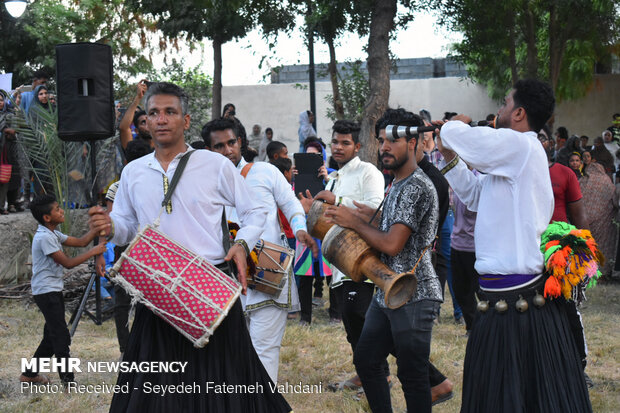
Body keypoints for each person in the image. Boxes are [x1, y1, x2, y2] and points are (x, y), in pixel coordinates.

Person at [88, 82, 292, 412]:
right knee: (157, 393)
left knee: (221, 388)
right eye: (154, 112)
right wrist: (110, 227)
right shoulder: (134, 172)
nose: (162, 119)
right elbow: (126, 225)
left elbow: (256, 211)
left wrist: (242, 244)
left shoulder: (215, 165)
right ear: (147, 121)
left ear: (186, 120)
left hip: (209, 290)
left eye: (171, 112)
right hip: (156, 292)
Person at [437, 78, 592, 412]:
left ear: (519, 113)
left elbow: (456, 134)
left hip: (518, 299)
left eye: (505, 102)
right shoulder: (512, 156)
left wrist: (453, 125)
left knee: (520, 398)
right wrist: (449, 159)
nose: (500, 108)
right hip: (499, 298)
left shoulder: (519, 146)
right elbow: (477, 197)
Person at [324, 111, 442, 413]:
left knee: (412, 375)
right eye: (380, 141)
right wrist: (369, 216)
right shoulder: (397, 184)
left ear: (413, 142)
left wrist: (354, 220)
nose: (384, 147)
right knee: (365, 359)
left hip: (414, 292)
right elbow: (390, 230)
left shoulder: (416, 186)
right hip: (386, 289)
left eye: (393, 140)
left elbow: (392, 243)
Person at [201, 117, 317, 383]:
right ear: (209, 150)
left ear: (240, 142)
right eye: (219, 146)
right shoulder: (202, 183)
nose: (227, 150)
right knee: (232, 353)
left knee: (264, 352)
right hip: (225, 281)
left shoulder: (265, 172)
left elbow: (291, 204)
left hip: (268, 274)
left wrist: (299, 229)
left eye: (231, 142)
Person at [298, 119, 385, 392]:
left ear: (357, 146)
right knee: (352, 327)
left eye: (345, 142)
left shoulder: (368, 172)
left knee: (363, 321)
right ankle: (365, 376)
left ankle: (381, 377)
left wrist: (337, 202)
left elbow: (375, 211)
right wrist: (312, 210)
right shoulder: (334, 178)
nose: (338, 147)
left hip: (362, 261)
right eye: (335, 141)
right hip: (338, 263)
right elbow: (330, 222)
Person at [20, 194, 106, 385]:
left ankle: (30, 374)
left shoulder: (53, 233)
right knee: (61, 337)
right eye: (57, 209)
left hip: (52, 291)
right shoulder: (44, 238)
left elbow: (82, 242)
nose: (61, 211)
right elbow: (67, 263)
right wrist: (93, 252)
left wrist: (96, 229)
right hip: (46, 293)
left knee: (51, 336)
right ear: (47, 218)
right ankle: (68, 382)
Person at [95, 139, 154, 357]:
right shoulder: (150, 183)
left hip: (130, 248)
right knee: (145, 300)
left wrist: (101, 251)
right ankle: (138, 349)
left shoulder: (117, 186)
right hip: (145, 248)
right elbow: (112, 223)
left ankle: (127, 349)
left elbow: (111, 224)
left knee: (124, 302)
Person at [580, 162, 619, 279]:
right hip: (603, 222)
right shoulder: (607, 182)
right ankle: (601, 273)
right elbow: (615, 200)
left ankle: (585, 272)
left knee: (586, 246)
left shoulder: (582, 181)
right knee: (602, 246)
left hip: (584, 221)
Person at [119, 80, 152, 151]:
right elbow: (124, 128)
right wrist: (138, 97)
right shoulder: (133, 148)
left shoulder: (165, 146)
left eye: (150, 120)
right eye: (143, 122)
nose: (148, 124)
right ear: (136, 130)